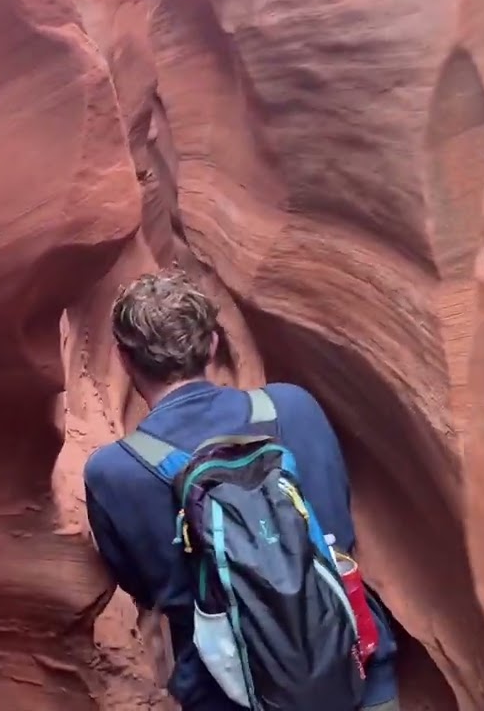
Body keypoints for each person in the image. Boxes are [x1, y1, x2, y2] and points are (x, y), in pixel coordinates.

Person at [83, 267, 399, 711]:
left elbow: (145, 589)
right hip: (355, 668)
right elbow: (338, 522)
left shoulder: (114, 473)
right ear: (213, 343)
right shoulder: (293, 407)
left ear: (122, 358)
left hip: (229, 694)